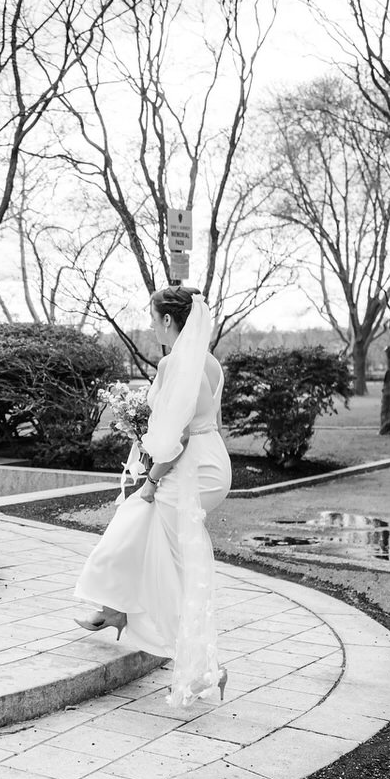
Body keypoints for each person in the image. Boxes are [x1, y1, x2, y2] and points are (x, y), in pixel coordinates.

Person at [73, 285, 232, 708]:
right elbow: (200, 421)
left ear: (168, 320)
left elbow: (176, 433)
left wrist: (151, 480)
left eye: (151, 315)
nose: (148, 323)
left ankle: (197, 663)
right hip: (213, 461)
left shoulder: (172, 362)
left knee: (164, 556)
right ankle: (117, 606)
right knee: (148, 536)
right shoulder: (211, 363)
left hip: (189, 467)